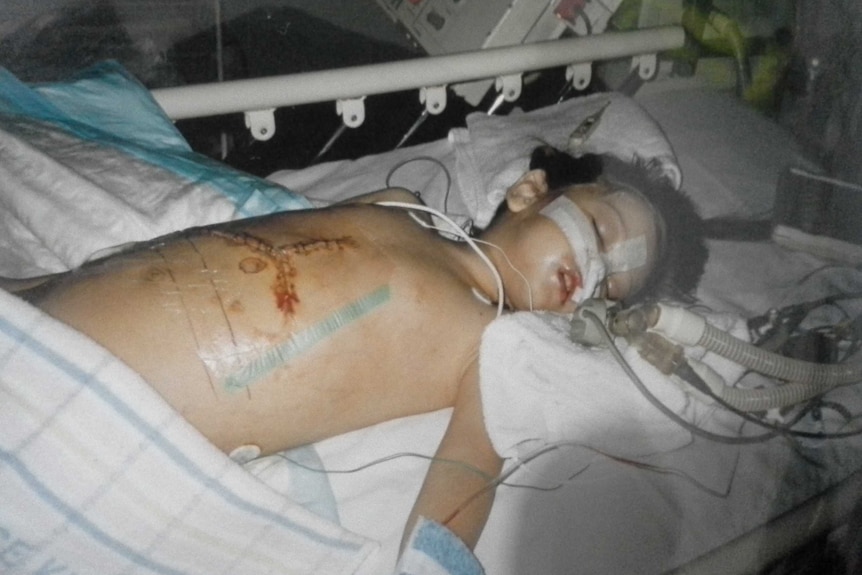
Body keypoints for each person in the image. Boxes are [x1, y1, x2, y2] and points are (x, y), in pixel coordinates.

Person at [10, 146, 706, 557]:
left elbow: (464, 472)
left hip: (70, 409)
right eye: (601, 230)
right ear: (530, 192)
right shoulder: (400, 205)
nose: (596, 268)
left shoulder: (494, 345)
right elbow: (223, 245)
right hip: (37, 312)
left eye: (614, 283)